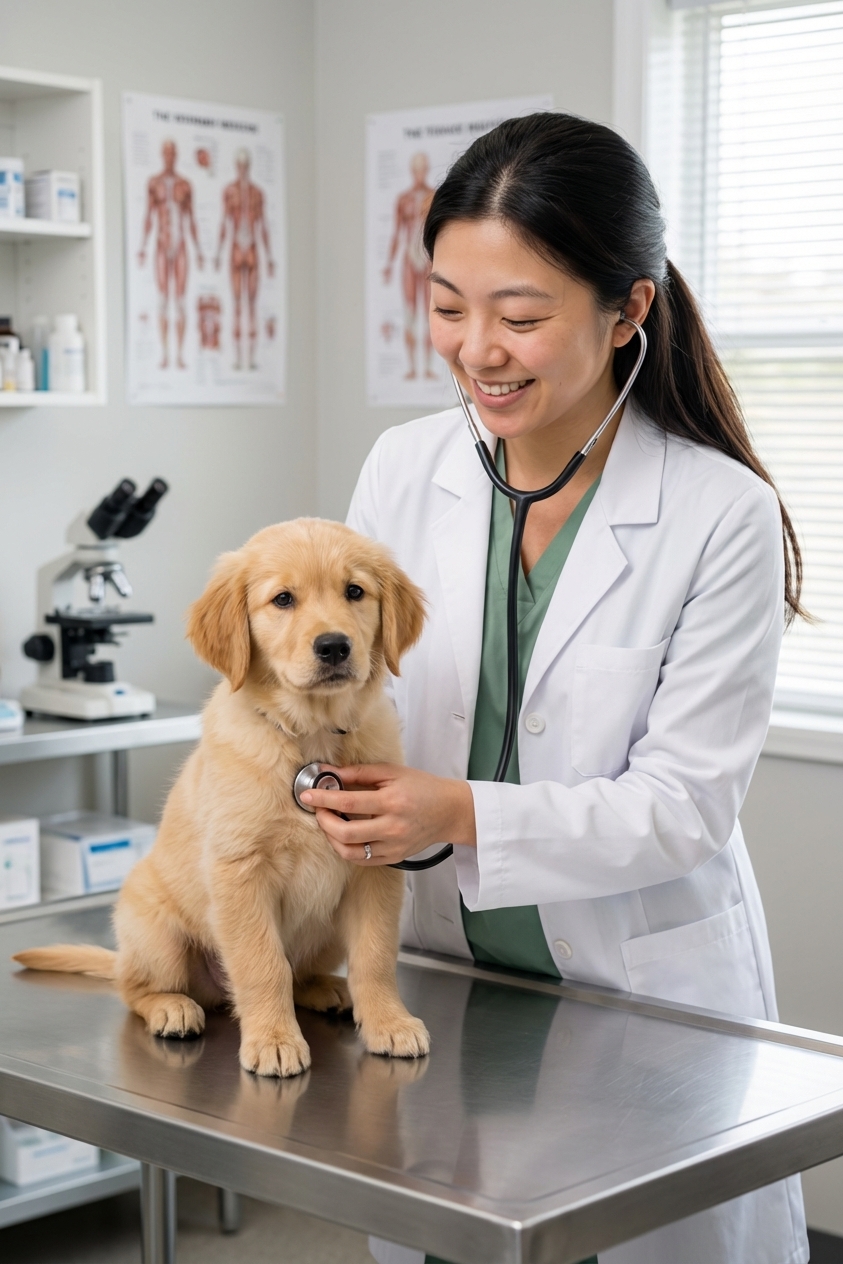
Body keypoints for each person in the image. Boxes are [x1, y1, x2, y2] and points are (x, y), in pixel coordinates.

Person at [300, 114, 808, 1264]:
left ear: (627, 313)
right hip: (443, 983)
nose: (478, 347)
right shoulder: (403, 467)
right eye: (447, 305)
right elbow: (341, 692)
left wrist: (462, 811)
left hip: (633, 997)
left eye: (521, 317)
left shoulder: (719, 512)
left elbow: (685, 805)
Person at [138, 140, 204, 370]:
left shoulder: (184, 185)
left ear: (176, 155)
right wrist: (143, 247)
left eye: (172, 153)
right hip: (161, 242)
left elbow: (191, 218)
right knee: (163, 300)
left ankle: (180, 355)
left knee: (181, 300)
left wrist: (199, 251)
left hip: (181, 244)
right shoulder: (154, 184)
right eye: (165, 153)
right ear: (161, 155)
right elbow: (148, 216)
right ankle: (166, 354)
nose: (169, 157)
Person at [214, 148, 275, 370]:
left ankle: (252, 358)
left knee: (252, 305)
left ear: (248, 166)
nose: (242, 168)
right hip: (235, 249)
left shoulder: (258, 193)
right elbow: (224, 223)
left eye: (245, 164)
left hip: (252, 249)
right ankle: (238, 358)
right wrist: (218, 253)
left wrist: (269, 258)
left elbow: (263, 225)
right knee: (238, 304)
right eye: (239, 164)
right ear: (235, 166)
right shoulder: (229, 192)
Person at [383, 152, 437, 380]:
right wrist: (388, 263)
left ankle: (428, 367)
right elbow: (396, 233)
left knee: (430, 313)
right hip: (408, 258)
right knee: (410, 312)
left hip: (427, 259)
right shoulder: (403, 199)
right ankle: (413, 368)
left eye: (423, 168)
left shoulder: (434, 197)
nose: (419, 173)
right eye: (416, 168)